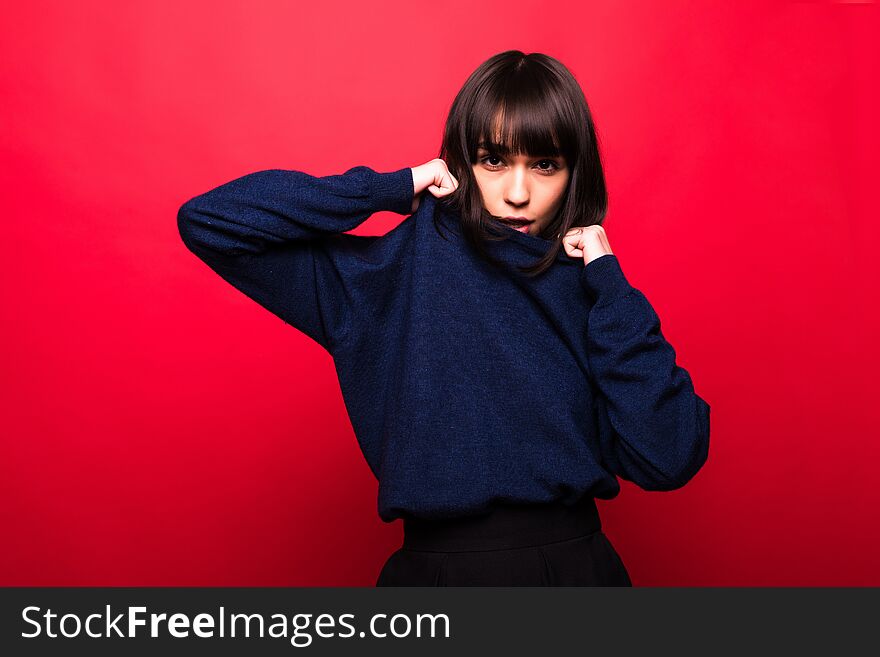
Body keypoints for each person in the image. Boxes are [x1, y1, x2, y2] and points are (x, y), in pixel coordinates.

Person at [176, 50, 711, 586]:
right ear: (460, 162)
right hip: (435, 578)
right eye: (494, 162)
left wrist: (611, 284)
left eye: (545, 165)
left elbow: (668, 456)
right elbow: (211, 221)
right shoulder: (392, 271)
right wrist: (389, 187)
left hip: (576, 573)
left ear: (574, 173)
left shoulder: (589, 285)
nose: (518, 194)